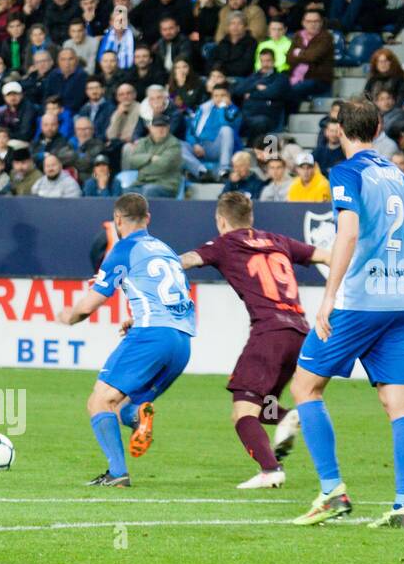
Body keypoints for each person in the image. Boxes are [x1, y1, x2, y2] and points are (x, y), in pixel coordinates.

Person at [288, 98, 404, 530]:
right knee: (399, 404)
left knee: (305, 386)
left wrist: (328, 296)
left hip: (360, 300)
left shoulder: (346, 172)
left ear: (338, 129)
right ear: (380, 127)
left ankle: (332, 491)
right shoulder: (397, 174)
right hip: (401, 299)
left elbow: (346, 233)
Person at [181, 192, 331, 488]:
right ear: (250, 218)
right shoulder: (278, 240)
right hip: (299, 332)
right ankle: (289, 417)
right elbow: (327, 256)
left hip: (269, 333)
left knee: (242, 411)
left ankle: (270, 470)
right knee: (264, 406)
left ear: (221, 220)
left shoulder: (224, 244)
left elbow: (184, 262)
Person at [55, 193, 194, 487]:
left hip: (151, 336)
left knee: (98, 401)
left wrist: (69, 316)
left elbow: (89, 305)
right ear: (148, 218)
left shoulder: (122, 250)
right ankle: (136, 415)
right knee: (118, 406)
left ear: (118, 219)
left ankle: (117, 473)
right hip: (182, 342)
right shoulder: (167, 250)